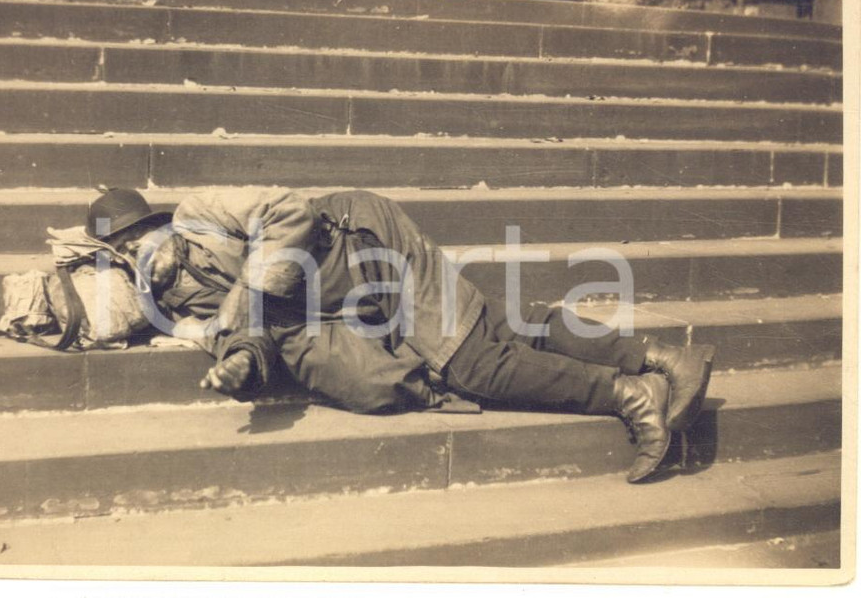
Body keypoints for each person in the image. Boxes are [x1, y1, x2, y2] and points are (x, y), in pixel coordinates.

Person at [85, 187, 715, 484]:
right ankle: (659, 356)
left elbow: (288, 211)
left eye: (139, 240)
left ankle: (631, 395)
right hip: (350, 300)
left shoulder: (203, 211)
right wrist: (237, 360)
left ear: (159, 224)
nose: (140, 256)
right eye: (123, 254)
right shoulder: (178, 295)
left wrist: (248, 290)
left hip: (368, 240)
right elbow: (243, 330)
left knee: (471, 365)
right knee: (490, 326)